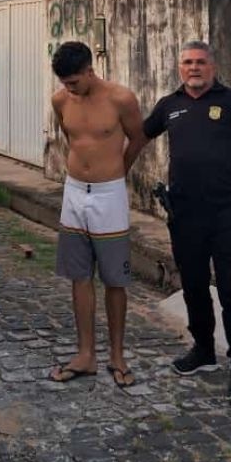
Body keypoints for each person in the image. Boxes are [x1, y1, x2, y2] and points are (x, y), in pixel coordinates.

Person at [142, 41, 231, 406]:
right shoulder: (169, 106)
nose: (194, 68)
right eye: (187, 62)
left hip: (227, 213)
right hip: (184, 214)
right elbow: (139, 135)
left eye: (200, 62)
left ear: (212, 66)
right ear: (179, 68)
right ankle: (203, 349)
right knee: (194, 287)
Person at [49, 41, 146, 388]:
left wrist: (118, 171)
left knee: (114, 278)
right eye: (65, 83)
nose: (69, 88)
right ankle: (85, 353)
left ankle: (117, 356)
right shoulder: (61, 100)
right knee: (79, 275)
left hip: (109, 195)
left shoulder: (121, 99)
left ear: (91, 70)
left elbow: (138, 137)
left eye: (74, 81)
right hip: (74, 192)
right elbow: (70, 138)